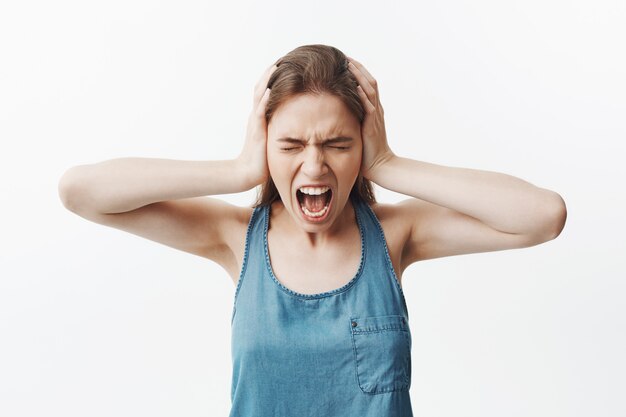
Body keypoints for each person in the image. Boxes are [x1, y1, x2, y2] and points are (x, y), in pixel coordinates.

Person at [58, 44, 567, 417]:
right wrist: (237, 171)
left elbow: (543, 215)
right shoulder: (235, 238)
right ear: (265, 146)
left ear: (361, 147)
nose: (315, 165)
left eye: (338, 144)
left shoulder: (396, 235)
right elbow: (80, 191)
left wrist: (387, 162)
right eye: (292, 144)